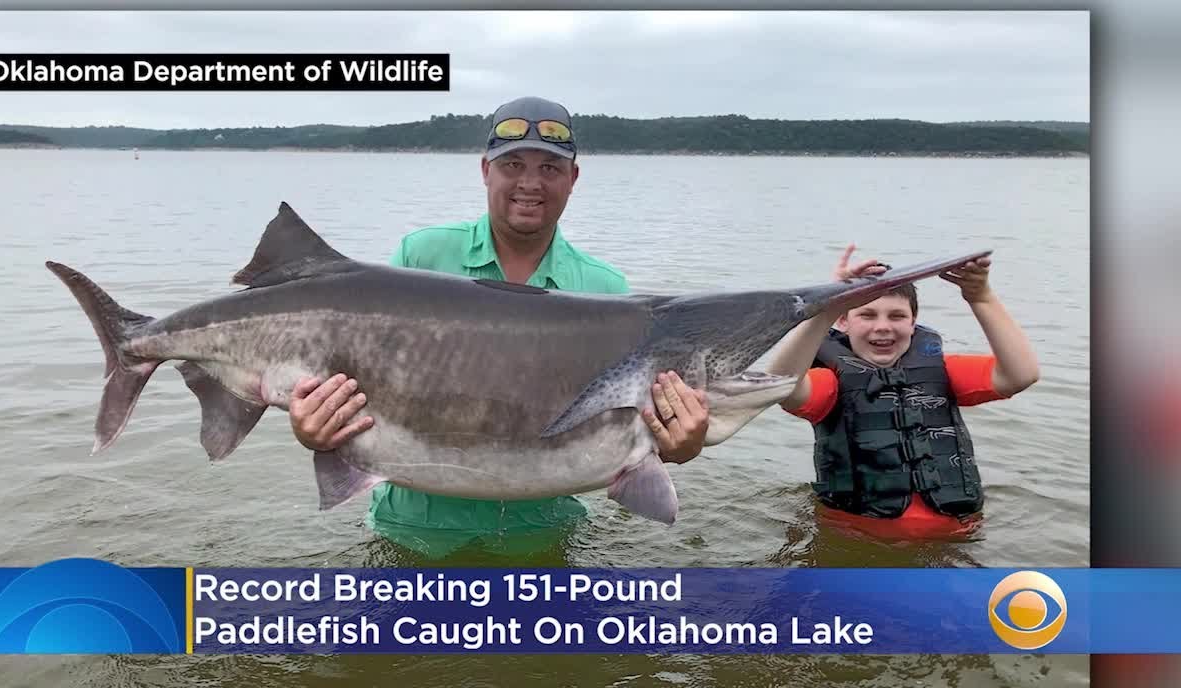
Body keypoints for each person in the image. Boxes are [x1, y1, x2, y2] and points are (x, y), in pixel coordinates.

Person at [285, 96, 710, 555]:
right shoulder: (421, 258)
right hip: (412, 534)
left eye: (550, 167)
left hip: (543, 538)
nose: (530, 183)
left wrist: (679, 446)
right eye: (512, 164)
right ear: (486, 171)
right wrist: (313, 430)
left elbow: (631, 426)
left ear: (573, 179)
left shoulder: (605, 290)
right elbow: (361, 386)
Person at [766, 244, 1040, 540]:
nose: (882, 327)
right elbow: (779, 385)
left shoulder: (944, 372)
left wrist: (980, 297)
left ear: (913, 322)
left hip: (952, 537)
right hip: (857, 536)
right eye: (867, 315)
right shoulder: (830, 383)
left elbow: (1021, 375)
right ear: (843, 322)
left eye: (896, 316)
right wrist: (826, 308)